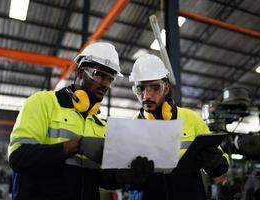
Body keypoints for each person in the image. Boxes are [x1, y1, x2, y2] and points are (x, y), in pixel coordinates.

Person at [8, 42, 154, 200]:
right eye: (99, 74)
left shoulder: (100, 125)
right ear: (79, 71)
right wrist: (75, 146)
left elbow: (101, 179)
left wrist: (125, 177)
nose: (104, 84)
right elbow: (19, 157)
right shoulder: (43, 103)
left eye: (110, 79)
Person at [128, 54, 229, 200]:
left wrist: (215, 162)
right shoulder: (130, 127)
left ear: (166, 88)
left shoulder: (191, 118)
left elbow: (222, 161)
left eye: (155, 88)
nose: (146, 96)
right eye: (140, 88)